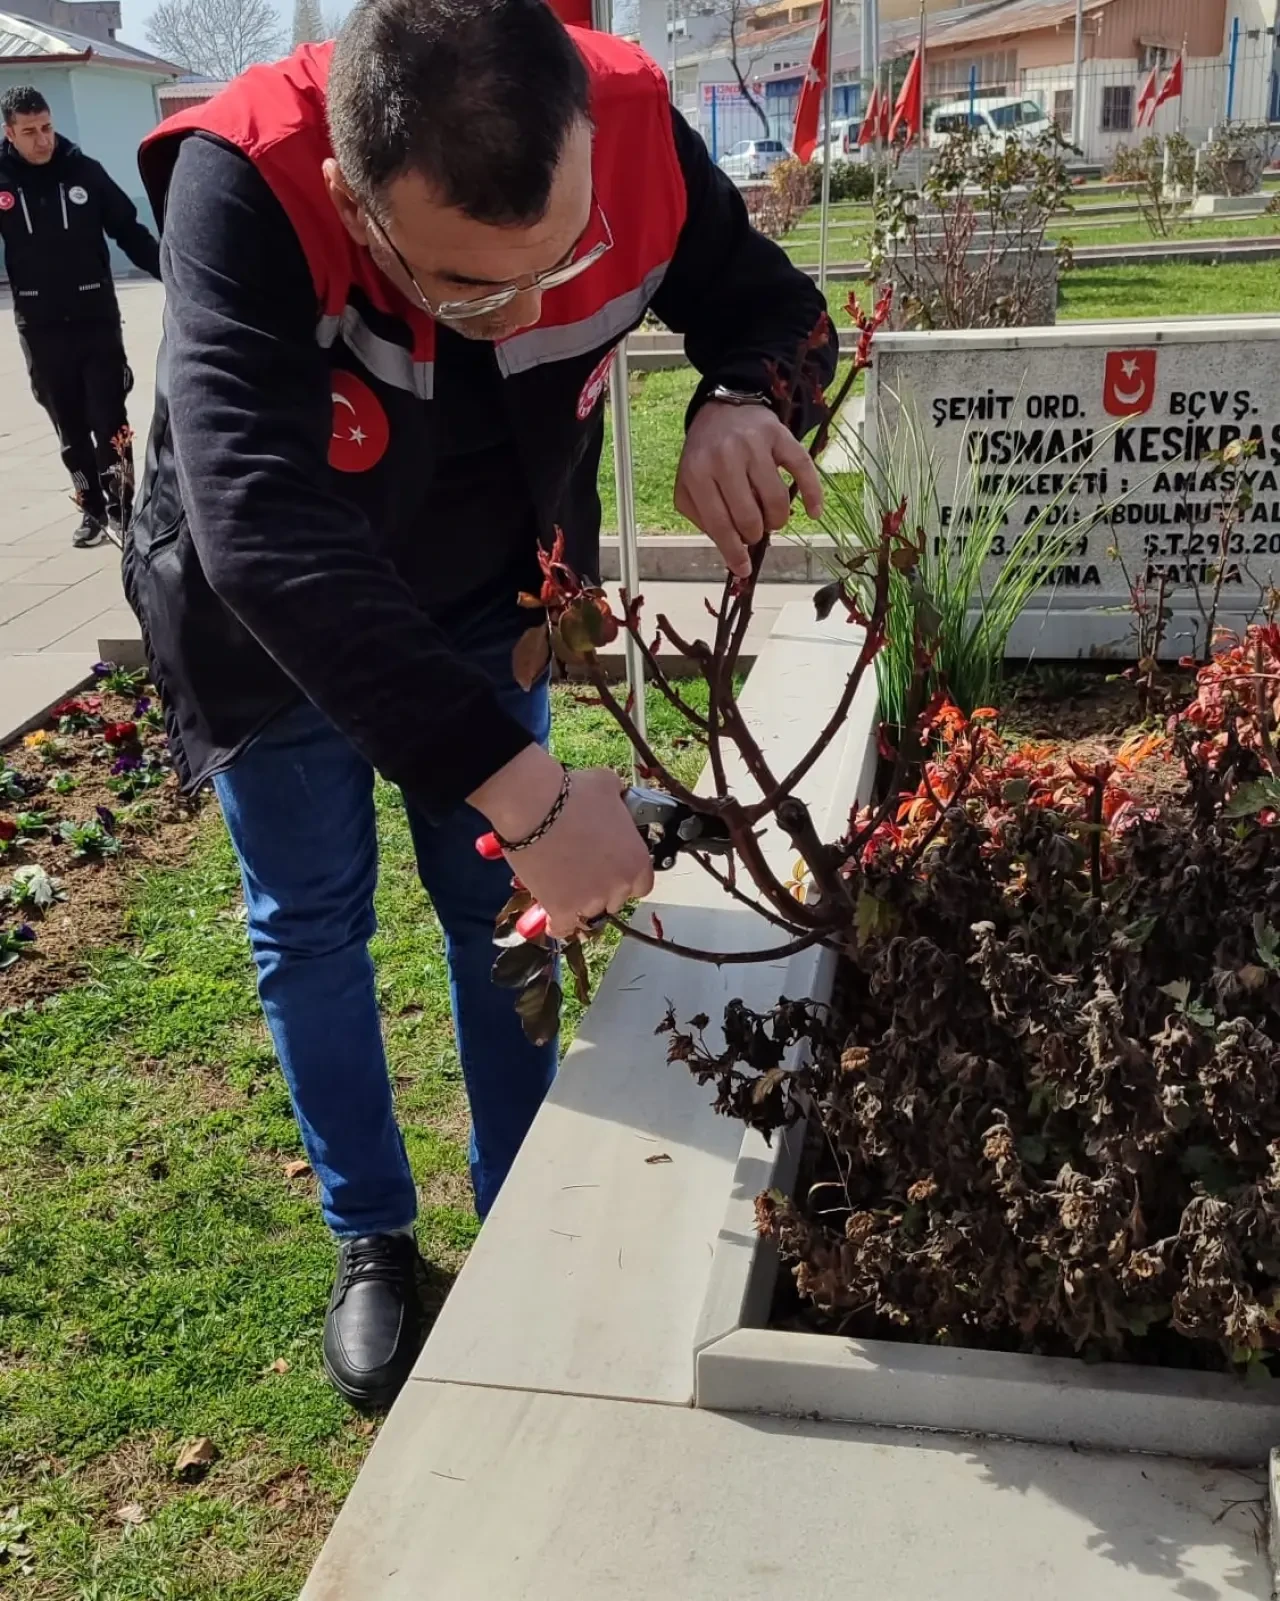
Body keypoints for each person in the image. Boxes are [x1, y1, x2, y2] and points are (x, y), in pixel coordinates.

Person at [126, 0, 835, 1411]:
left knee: (503, 917)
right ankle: (371, 1237)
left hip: (488, 597)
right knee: (310, 920)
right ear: (348, 192)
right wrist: (527, 795)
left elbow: (775, 313)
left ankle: (521, 1203)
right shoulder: (248, 176)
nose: (525, 309)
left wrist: (744, 400)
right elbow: (258, 529)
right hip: (281, 626)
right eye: (462, 286)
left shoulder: (629, 127)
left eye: (562, 260)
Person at [0, 86, 161, 547]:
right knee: (69, 426)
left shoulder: (84, 172)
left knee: (109, 418)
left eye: (47, 127)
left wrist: (174, 274)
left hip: (96, 320)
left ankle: (124, 508)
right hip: (40, 325)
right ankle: (91, 508)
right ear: (10, 133)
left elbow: (130, 230)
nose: (42, 140)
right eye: (29, 132)